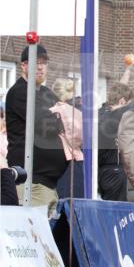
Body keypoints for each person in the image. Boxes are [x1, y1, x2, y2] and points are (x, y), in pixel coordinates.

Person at [5, 43, 68, 214]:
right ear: (24, 65)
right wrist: (59, 116)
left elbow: (66, 120)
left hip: (48, 185)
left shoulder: (47, 93)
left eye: (44, 62)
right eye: (35, 62)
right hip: (31, 185)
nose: (40, 67)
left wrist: (60, 116)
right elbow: (47, 123)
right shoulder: (19, 92)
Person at [98, 57, 134, 201]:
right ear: (122, 102)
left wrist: (128, 70)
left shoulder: (103, 112)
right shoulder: (117, 116)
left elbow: (118, 90)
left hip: (102, 171)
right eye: (127, 104)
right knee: (116, 210)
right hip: (114, 173)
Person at [51, 77, 84, 198]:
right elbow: (79, 138)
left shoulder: (49, 111)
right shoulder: (77, 113)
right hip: (74, 159)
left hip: (54, 160)